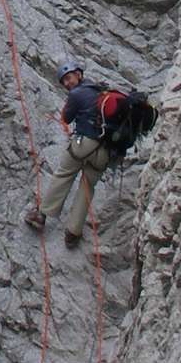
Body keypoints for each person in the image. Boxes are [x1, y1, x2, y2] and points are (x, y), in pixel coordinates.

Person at [27, 61, 111, 248]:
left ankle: (41, 215)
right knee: (87, 187)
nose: (67, 83)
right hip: (104, 151)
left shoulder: (76, 94)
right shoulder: (100, 90)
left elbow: (67, 118)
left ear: (78, 74)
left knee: (64, 174)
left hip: (84, 143)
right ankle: (73, 233)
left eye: (68, 78)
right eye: (64, 81)